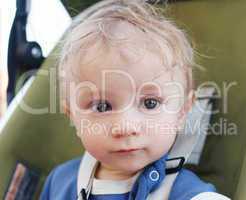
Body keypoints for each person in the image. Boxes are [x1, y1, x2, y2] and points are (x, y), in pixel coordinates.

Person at [40, 0, 230, 199]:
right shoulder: (59, 182)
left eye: (150, 103)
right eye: (102, 106)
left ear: (182, 111)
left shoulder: (181, 191)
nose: (125, 127)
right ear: (72, 116)